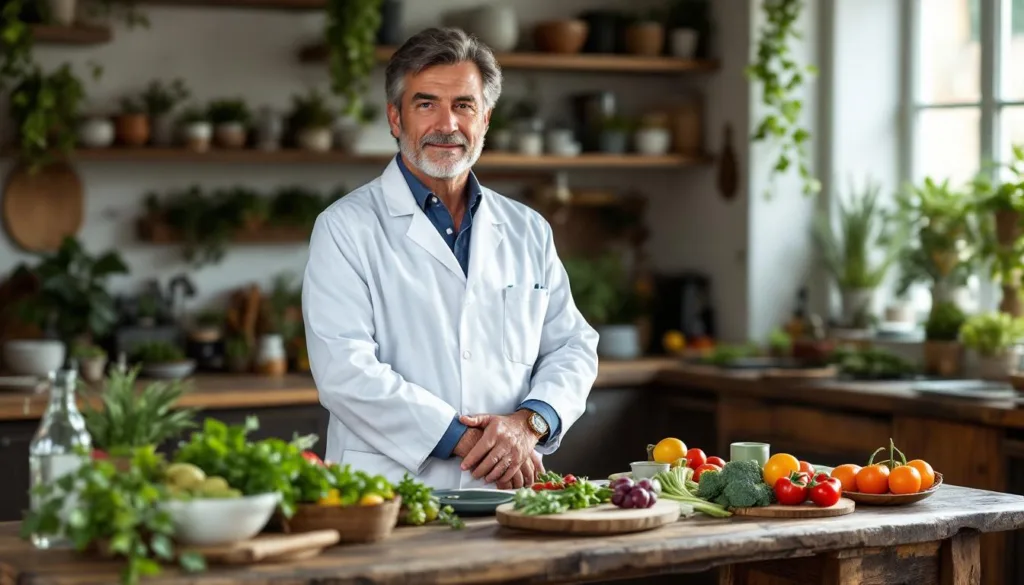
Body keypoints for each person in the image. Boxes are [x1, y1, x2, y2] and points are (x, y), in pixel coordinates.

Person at [301, 27, 599, 490]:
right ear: (395, 118)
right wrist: (465, 439)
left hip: (506, 492)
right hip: (388, 494)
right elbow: (345, 370)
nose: (447, 125)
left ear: (485, 119)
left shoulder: (527, 229)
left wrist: (529, 424)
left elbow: (571, 346)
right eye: (426, 104)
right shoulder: (345, 227)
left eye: (464, 105)